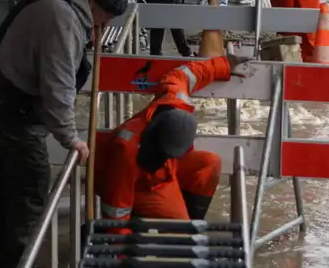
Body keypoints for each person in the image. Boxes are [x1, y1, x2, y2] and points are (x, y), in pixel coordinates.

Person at [0, 0, 129, 268]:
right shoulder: (64, 21)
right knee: (30, 188)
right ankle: (18, 260)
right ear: (94, 6)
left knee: (2, 185)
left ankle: (5, 254)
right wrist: (71, 139)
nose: (102, 29)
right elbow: (58, 89)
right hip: (9, 108)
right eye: (104, 21)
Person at [95, 52, 251, 222]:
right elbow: (116, 210)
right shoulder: (126, 150)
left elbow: (185, 74)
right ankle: (177, 227)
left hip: (164, 171)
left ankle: (192, 224)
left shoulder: (174, 100)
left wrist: (224, 64)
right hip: (144, 185)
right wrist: (118, 245)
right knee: (179, 226)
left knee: (209, 163)